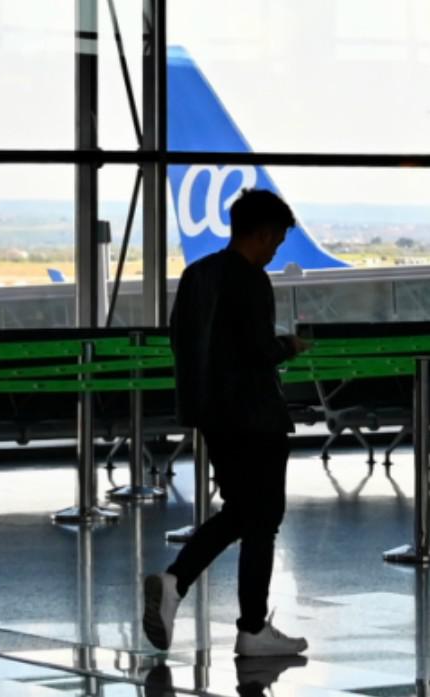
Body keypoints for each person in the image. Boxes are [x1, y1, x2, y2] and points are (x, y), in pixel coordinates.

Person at [143, 188, 310, 657]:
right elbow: (257, 353)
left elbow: (182, 341)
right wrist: (287, 347)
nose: (276, 248)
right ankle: (247, 628)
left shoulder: (196, 275)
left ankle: (181, 587)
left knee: (243, 512)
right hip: (256, 416)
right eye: (276, 239)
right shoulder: (252, 281)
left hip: (212, 415)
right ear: (262, 233)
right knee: (262, 521)